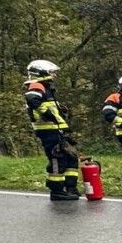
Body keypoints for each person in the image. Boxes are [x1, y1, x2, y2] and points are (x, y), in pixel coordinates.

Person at [24, 60, 81, 201]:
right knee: (58, 159)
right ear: (42, 73)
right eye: (52, 72)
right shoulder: (36, 85)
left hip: (57, 130)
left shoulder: (47, 89)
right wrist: (46, 113)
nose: (54, 75)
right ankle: (57, 191)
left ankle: (70, 187)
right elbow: (32, 100)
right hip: (48, 131)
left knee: (71, 157)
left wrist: (61, 113)